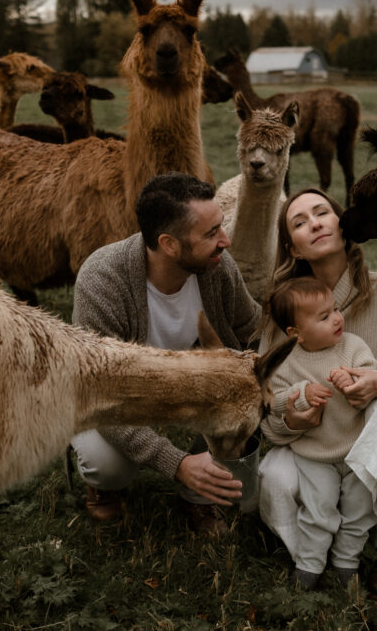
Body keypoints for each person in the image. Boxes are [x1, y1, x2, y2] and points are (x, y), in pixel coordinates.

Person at [257, 188, 377, 593]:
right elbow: (268, 412)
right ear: (293, 249)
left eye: (322, 212)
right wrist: (293, 417)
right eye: (299, 221)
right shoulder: (285, 313)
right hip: (320, 446)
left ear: (343, 227)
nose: (313, 222)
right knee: (275, 476)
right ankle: (312, 559)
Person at [70, 172, 261, 535]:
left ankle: (200, 497)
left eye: (220, 227)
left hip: (183, 387)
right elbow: (100, 397)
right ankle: (104, 487)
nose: (226, 241)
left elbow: (253, 329)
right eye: (211, 234)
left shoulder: (217, 269)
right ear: (169, 244)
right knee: (108, 464)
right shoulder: (102, 280)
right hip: (111, 396)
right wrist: (177, 463)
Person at [263, 276, 377, 590]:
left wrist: (354, 380)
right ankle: (309, 565)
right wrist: (301, 392)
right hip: (315, 455)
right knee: (318, 510)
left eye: (335, 309)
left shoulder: (352, 346)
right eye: (324, 317)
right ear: (295, 333)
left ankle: (346, 563)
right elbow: (274, 400)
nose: (337, 319)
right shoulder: (286, 361)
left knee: (359, 511)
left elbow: (373, 373)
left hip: (357, 451)